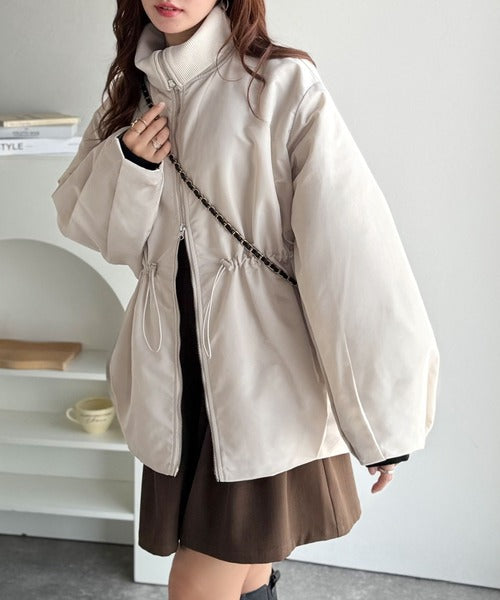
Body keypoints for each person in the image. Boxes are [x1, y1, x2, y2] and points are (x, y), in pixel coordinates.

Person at [51, 1, 440, 598]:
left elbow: (352, 252)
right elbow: (96, 232)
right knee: (247, 569)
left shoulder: (279, 84)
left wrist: (386, 416)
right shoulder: (130, 95)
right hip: (174, 383)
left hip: (261, 381)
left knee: (203, 577)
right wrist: (129, 164)